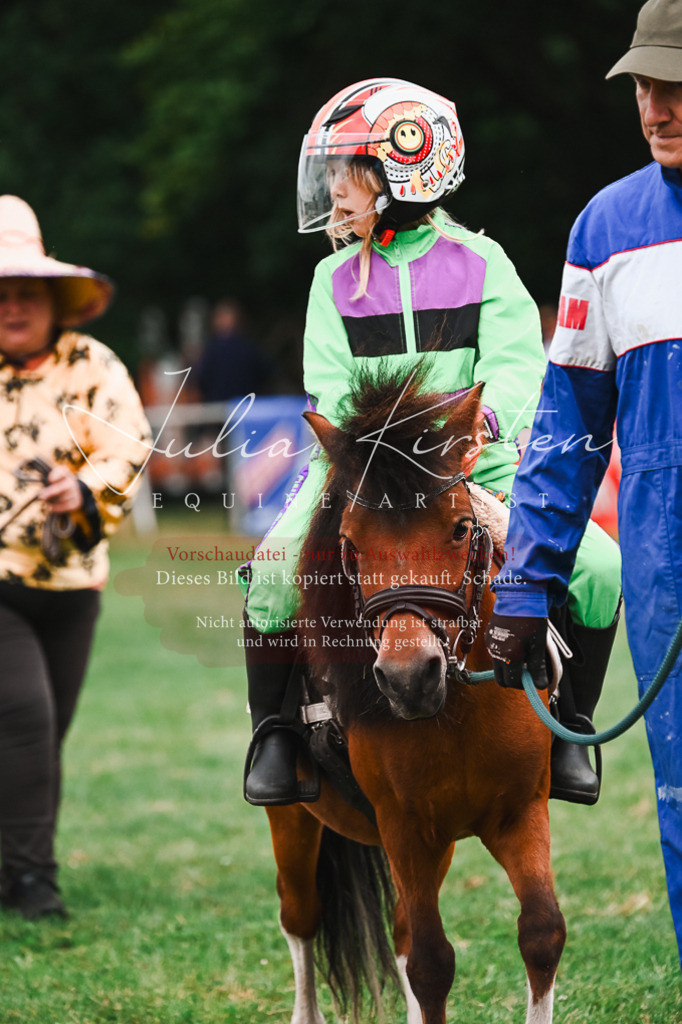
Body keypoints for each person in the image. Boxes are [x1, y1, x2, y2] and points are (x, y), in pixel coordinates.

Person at [239, 78, 621, 807]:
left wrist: (473, 434)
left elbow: (516, 370)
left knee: (600, 566)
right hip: (361, 475)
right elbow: (332, 386)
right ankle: (276, 735)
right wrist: (380, 456)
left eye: (346, 173)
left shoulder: (485, 263)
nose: (333, 193)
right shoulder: (329, 281)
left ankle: (573, 726)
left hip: (483, 471)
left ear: (404, 170)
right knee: (273, 570)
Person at [484, 0, 682, 965]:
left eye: (679, 83)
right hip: (661, 576)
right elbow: (566, 432)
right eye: (647, 83)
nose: (659, 104)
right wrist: (524, 583)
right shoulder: (607, 228)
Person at [0, 195, 151, 919]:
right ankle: (32, 881)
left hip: (73, 581)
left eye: (25, 292)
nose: (12, 307)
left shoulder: (94, 366)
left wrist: (80, 489)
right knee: (25, 718)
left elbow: (125, 447)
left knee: (41, 734)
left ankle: (9, 863)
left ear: (54, 298)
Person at [196, 298, 268, 402]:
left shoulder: (212, 349)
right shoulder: (248, 347)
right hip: (243, 407)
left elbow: (202, 380)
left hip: (220, 407)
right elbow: (263, 375)